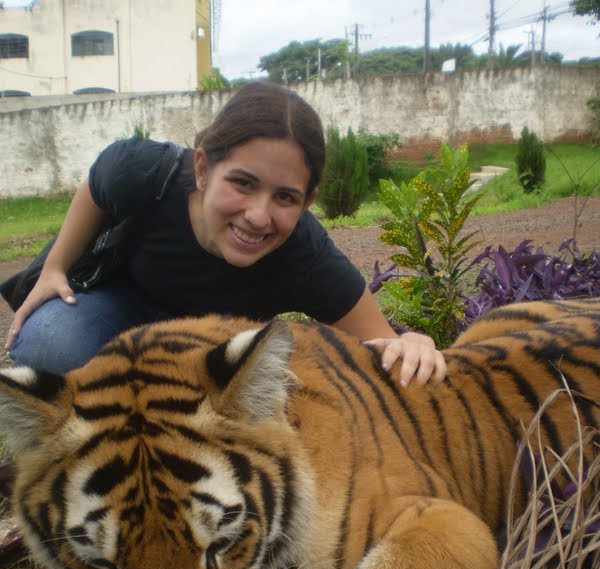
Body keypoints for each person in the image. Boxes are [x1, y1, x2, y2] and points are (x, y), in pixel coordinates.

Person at [4, 82, 446, 386]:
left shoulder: (306, 255)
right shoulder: (145, 172)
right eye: (243, 183)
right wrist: (55, 267)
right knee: (51, 343)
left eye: (285, 197)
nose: (258, 216)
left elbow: (381, 342)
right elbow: (95, 186)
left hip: (213, 354)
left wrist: (415, 343)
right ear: (202, 169)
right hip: (119, 310)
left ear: (307, 202)